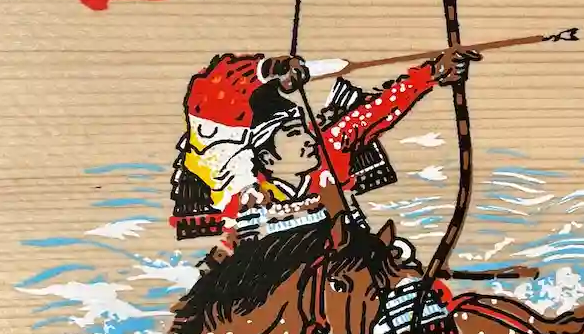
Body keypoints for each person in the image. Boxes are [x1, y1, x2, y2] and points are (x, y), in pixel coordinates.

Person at [170, 47, 477, 247]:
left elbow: (377, 111)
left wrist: (431, 74)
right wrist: (269, 70)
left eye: (305, 130)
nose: (310, 138)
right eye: (294, 133)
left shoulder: (327, 155)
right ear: (265, 155)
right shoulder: (238, 187)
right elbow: (210, 95)